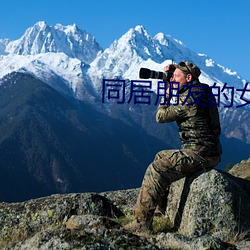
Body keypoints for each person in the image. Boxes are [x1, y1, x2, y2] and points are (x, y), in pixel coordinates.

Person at [124, 61, 222, 233]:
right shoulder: (202, 90)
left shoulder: (190, 99)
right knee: (161, 156)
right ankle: (161, 209)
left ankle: (141, 224)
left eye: (177, 76)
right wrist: (173, 77)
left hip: (200, 153)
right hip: (208, 150)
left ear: (189, 77)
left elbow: (161, 116)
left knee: (157, 168)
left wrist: (167, 92)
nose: (173, 79)